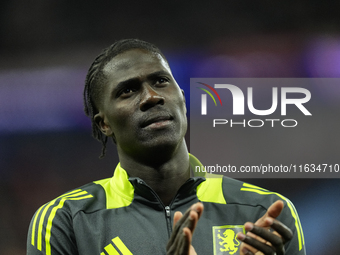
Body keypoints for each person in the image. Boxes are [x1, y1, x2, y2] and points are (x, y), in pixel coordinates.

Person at [27, 39, 306, 255]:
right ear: (104, 124)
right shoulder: (66, 221)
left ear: (182, 98)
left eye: (161, 81)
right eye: (127, 91)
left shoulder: (264, 212)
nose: (151, 97)